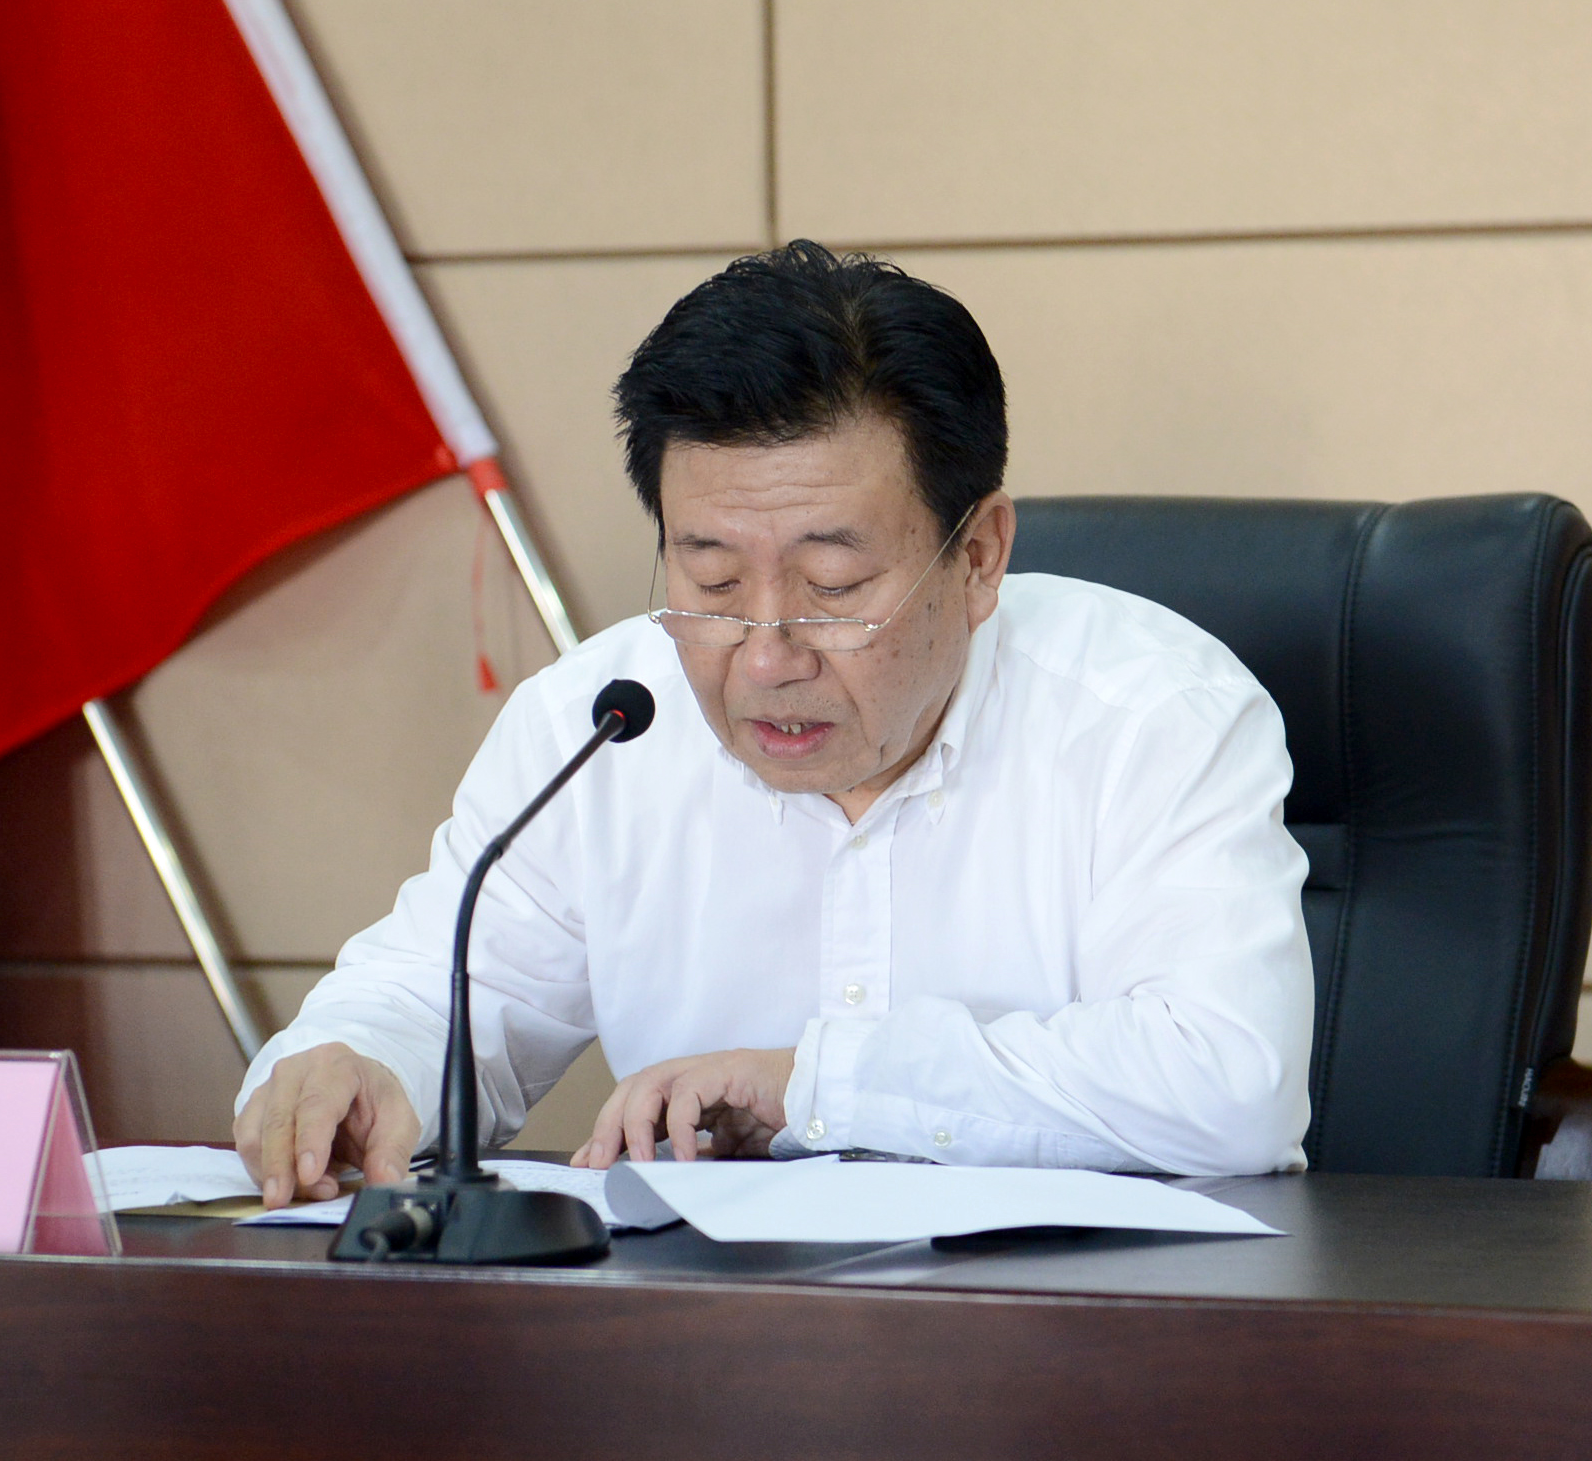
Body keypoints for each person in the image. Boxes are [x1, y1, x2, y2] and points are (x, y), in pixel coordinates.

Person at [234, 240, 1312, 1209]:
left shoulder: (1150, 715)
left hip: (1071, 1340)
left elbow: (1229, 1085)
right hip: (708, 1344)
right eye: (708, 581)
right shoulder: (598, 722)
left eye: (831, 586)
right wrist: (353, 1065)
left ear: (979, 558)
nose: (762, 656)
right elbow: (441, 993)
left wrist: (813, 1085)